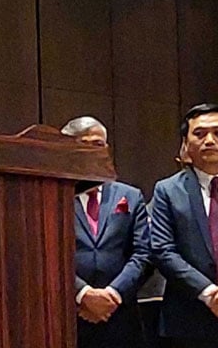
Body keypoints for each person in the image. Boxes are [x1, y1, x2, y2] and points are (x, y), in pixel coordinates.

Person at [61, 116, 152, 348]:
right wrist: (83, 294)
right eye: (83, 144)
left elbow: (143, 254)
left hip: (121, 316)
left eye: (98, 144)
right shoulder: (51, 196)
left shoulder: (130, 195)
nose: (92, 151)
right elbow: (43, 257)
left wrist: (113, 294)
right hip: (67, 316)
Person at [151, 103, 218, 347]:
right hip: (189, 319)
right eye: (199, 134)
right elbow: (162, 250)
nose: (209, 141)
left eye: (217, 133)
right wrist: (209, 293)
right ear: (186, 143)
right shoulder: (167, 190)